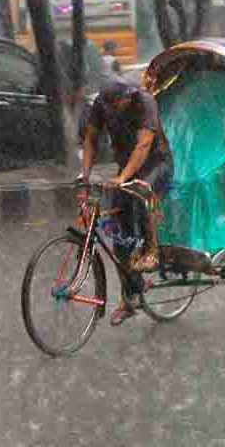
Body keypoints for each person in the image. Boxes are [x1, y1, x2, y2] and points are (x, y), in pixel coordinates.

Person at [80, 79, 173, 325]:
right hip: (126, 166)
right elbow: (90, 139)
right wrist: (85, 174)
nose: (121, 106)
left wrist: (122, 177)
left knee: (141, 193)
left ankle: (152, 251)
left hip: (156, 164)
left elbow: (144, 145)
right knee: (120, 238)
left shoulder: (144, 102)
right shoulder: (101, 105)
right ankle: (129, 298)